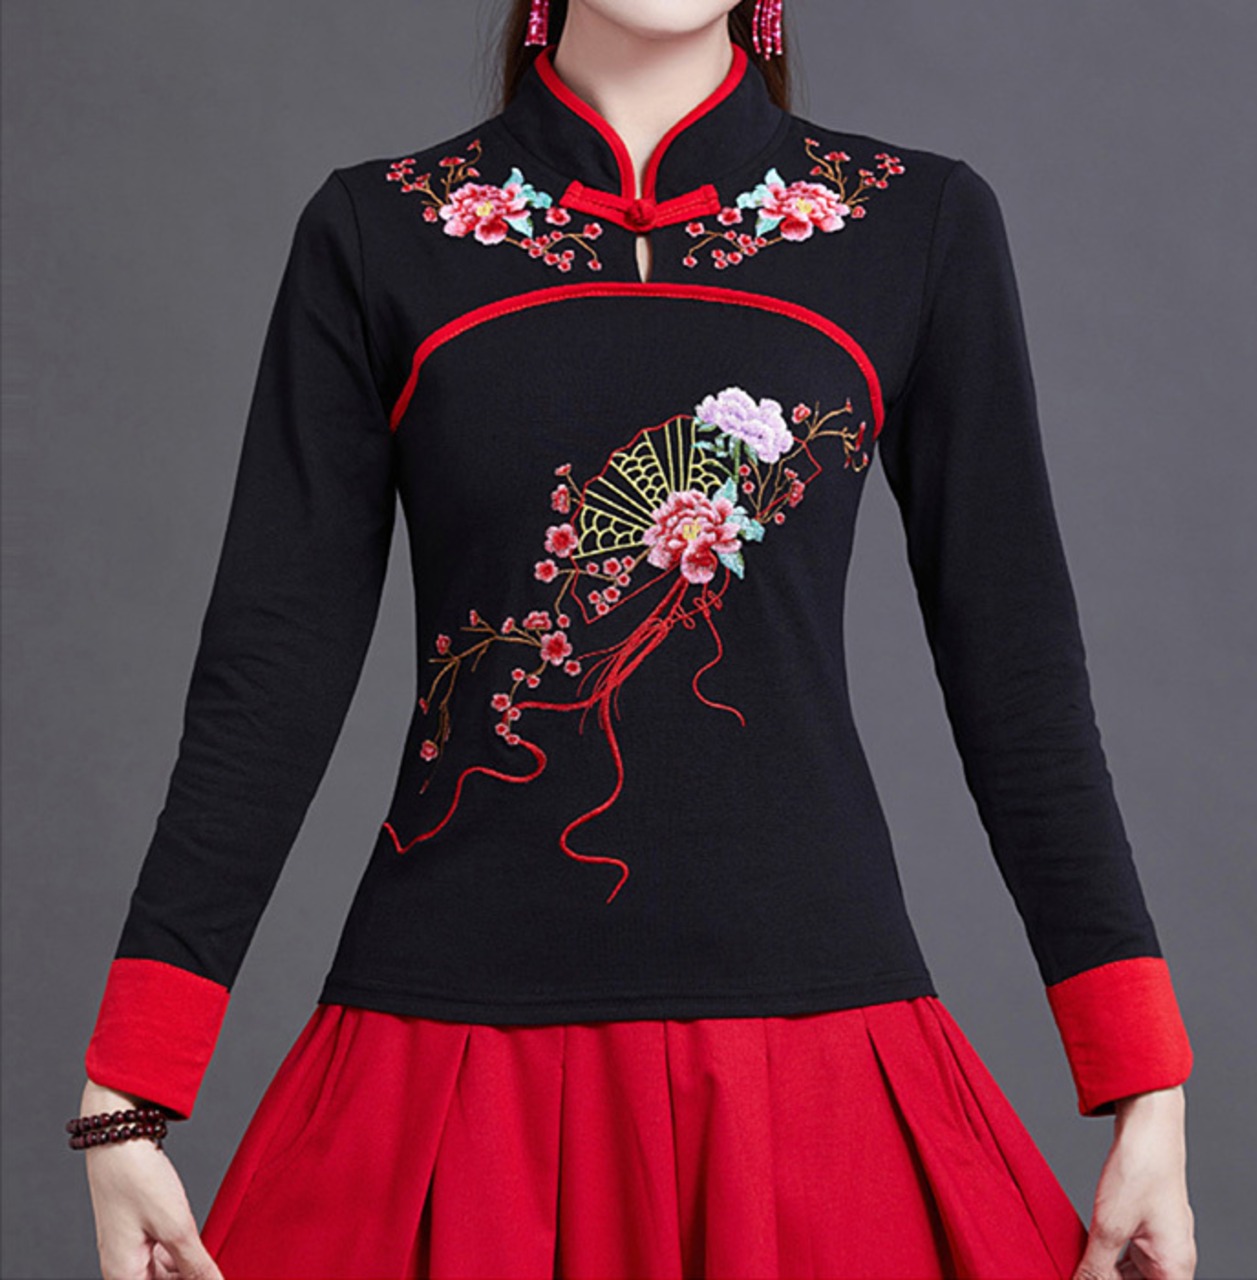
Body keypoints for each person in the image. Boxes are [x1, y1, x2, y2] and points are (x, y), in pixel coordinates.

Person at [74, 2, 1198, 1277]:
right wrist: (128, 1089)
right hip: (451, 1064)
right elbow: (267, 677)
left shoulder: (908, 222)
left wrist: (1143, 1084)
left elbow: (1018, 676)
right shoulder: (381, 231)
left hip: (809, 1067)